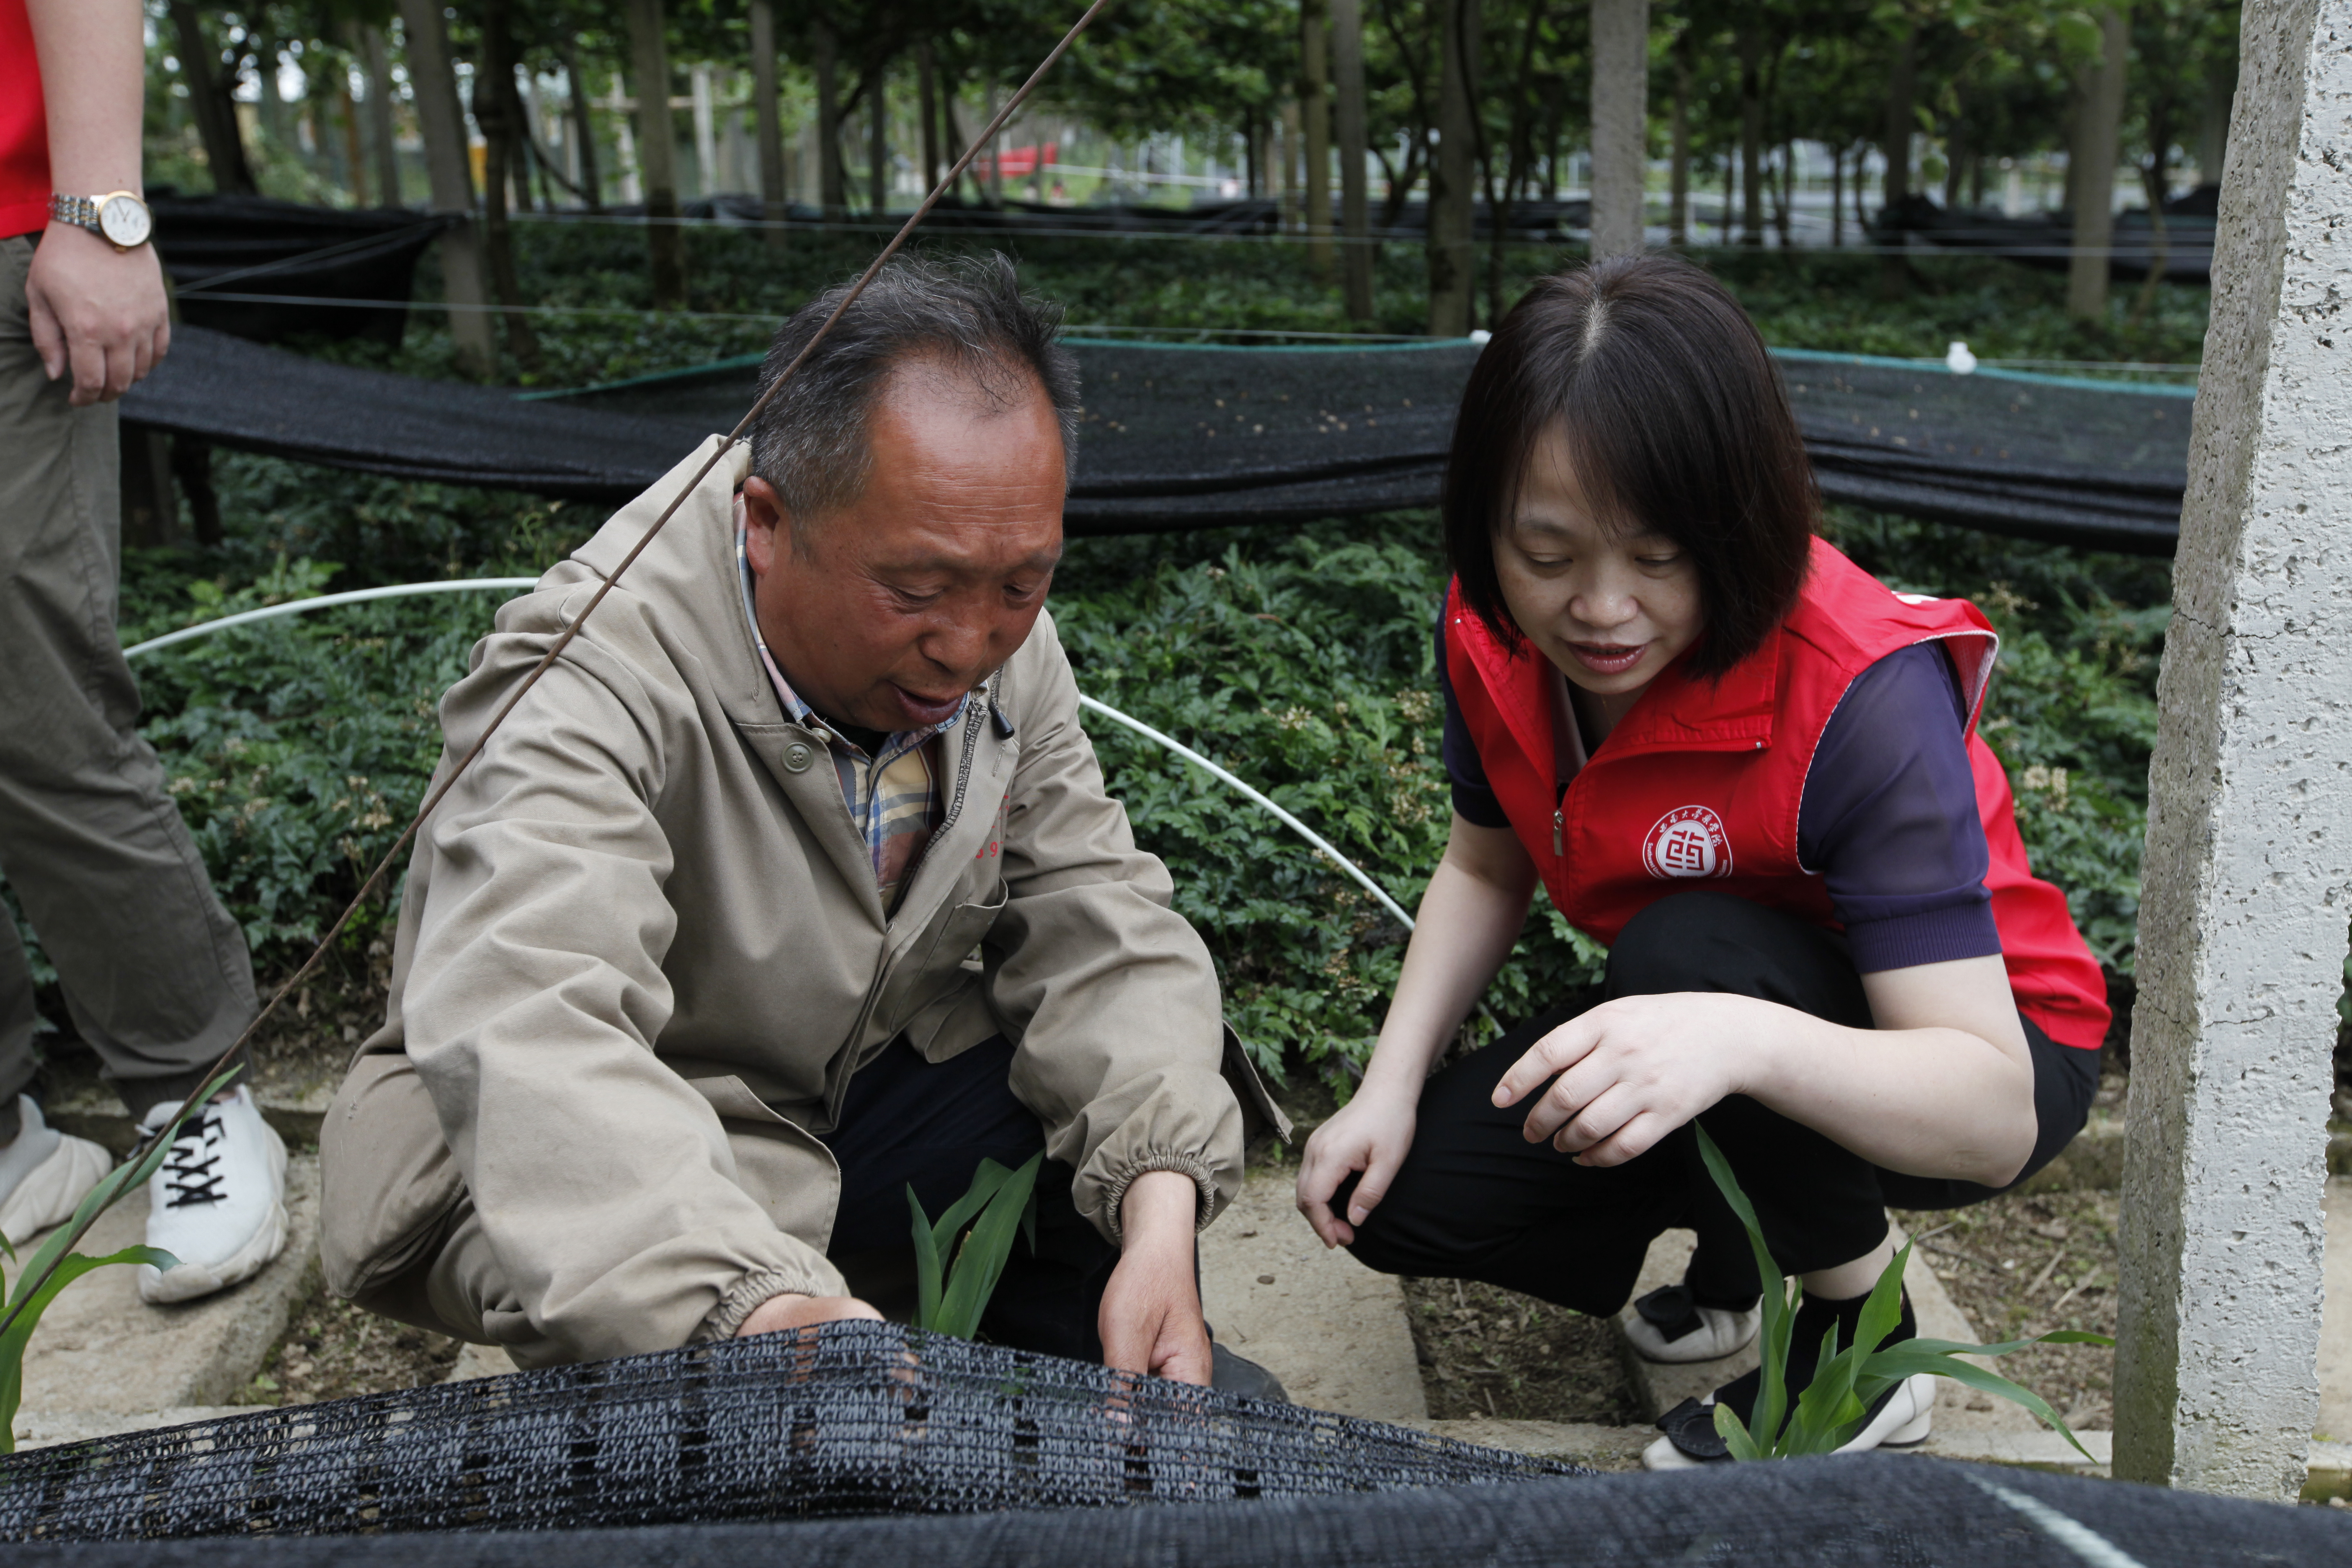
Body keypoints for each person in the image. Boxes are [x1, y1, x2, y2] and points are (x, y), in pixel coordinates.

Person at [319, 257, 1281, 1388]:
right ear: (766, 522)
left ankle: (1111, 1348)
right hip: (591, 1141)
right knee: (721, 1379)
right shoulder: (583, 684)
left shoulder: (999, 641)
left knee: (1107, 1124)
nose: (971, 647)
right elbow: (534, 1021)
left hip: (848, 1093)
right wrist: (751, 1306)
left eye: (1023, 585)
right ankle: (725, 1369)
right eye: (916, 592)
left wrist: (1163, 1211)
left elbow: (1091, 907)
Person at [1294, 254, 2110, 1468]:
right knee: (1399, 1199)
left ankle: (1861, 1344)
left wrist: (1735, 1043)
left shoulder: (1859, 693)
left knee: (1687, 958)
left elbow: (1990, 1112)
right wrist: (1388, 1088)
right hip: (1723, 996)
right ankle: (1743, 1257)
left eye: (1660, 555)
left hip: (1985, 1051)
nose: (1600, 609)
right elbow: (1483, 867)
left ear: (1736, 525)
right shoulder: (1488, 630)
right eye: (1549, 552)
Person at [0, 0, 289, 1302]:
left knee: (32, 701)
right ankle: (10, 1142)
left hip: (11, 221)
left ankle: (191, 1092)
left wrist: (100, 207)